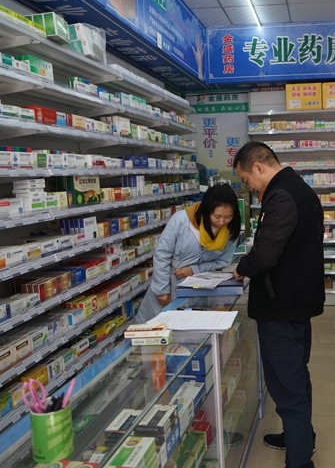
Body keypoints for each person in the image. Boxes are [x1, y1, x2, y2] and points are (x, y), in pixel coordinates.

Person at [232, 141, 324, 468]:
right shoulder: (299, 189)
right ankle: (299, 437)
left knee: (287, 385)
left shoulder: (281, 195)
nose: (250, 187)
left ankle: (300, 462)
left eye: (247, 180)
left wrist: (241, 268)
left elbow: (267, 253)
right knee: (296, 375)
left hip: (282, 307)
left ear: (258, 166)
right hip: (296, 302)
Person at [135, 183, 241, 323]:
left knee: (189, 329)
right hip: (169, 285)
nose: (222, 222)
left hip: (200, 291)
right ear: (206, 210)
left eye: (228, 217)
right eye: (217, 216)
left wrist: (195, 269)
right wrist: (161, 290)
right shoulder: (181, 220)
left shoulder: (231, 231)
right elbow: (162, 254)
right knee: (154, 327)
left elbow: (222, 261)